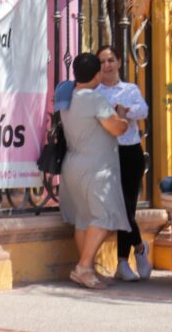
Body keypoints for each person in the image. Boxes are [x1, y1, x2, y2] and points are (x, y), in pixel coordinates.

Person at [58, 52, 131, 290]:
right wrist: (121, 116)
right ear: (97, 74)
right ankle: (83, 267)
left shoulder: (67, 97)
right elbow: (117, 129)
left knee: (83, 219)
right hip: (96, 168)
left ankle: (87, 268)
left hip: (73, 165)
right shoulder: (95, 100)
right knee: (103, 217)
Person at [95, 45, 151, 282]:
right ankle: (139, 248)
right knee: (119, 208)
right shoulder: (95, 92)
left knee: (126, 206)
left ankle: (122, 262)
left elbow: (143, 110)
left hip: (130, 153)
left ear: (119, 63)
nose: (107, 65)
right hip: (107, 154)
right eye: (102, 62)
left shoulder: (129, 89)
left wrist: (126, 110)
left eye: (111, 60)